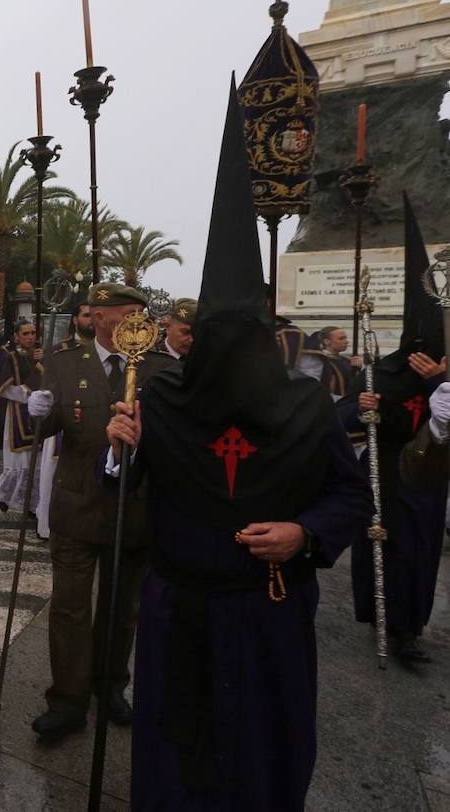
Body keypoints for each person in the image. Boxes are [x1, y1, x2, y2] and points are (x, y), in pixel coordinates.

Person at [105, 84, 373, 811]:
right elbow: (124, 482)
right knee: (175, 757)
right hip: (178, 608)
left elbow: (351, 496)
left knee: (259, 757)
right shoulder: (162, 399)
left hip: (267, 611)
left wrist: (304, 533)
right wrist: (121, 447)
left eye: (242, 342)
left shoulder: (306, 407)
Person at [24, 283, 172, 743]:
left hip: (133, 508)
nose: (138, 321)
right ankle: (67, 701)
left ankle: (109, 687)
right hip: (76, 504)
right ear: (101, 315)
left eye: (142, 314)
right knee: (69, 607)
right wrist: (38, 412)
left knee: (121, 607)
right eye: (128, 313)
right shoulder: (64, 362)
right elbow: (48, 427)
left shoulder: (163, 369)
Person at [349, 194, 448, 665]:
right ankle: (383, 616)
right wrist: (362, 408)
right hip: (385, 474)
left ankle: (409, 629)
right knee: (386, 546)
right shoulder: (380, 372)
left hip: (427, 478)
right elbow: (341, 418)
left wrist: (438, 383)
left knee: (420, 550)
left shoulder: (443, 378)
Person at [33, 303, 97, 541]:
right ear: (75, 320)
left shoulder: (103, 350)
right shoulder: (59, 351)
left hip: (92, 424)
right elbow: (48, 385)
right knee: (53, 475)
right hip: (62, 420)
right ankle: (47, 526)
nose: (91, 320)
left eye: (94, 315)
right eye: (86, 315)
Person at [0, 319, 42, 512]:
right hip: (17, 411)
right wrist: (27, 394)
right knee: (19, 459)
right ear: (16, 336)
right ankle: (5, 494)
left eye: (33, 333)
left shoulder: (39, 354)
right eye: (26, 334)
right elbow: (3, 387)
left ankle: (32, 503)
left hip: (37, 412)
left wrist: (43, 361)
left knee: (35, 459)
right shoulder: (9, 356)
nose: (30, 337)